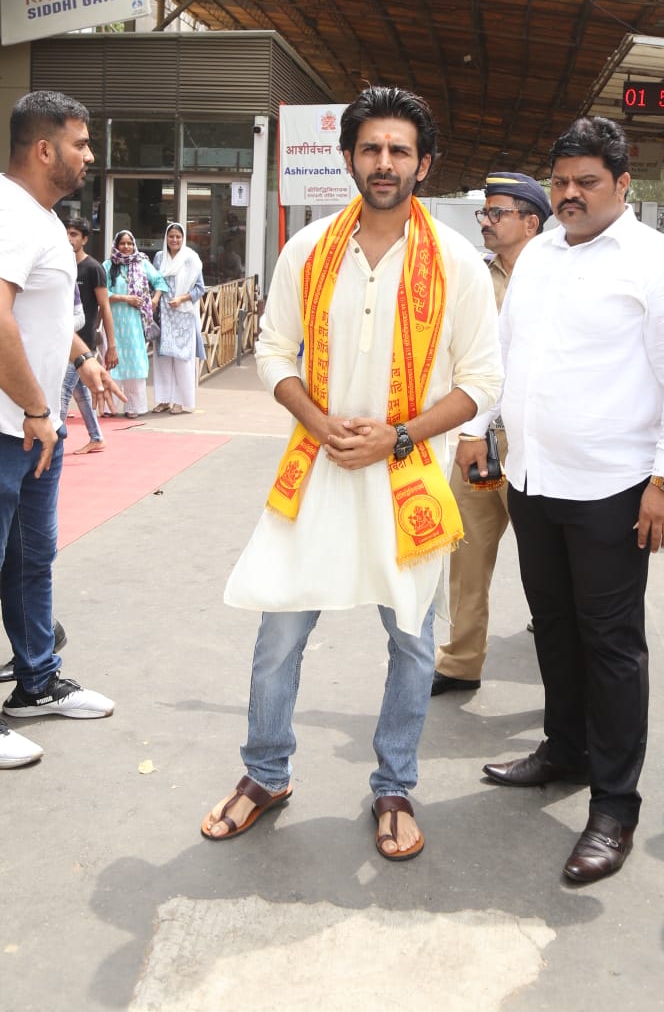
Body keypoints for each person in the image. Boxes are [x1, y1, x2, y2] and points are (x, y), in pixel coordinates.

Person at [201, 85, 502, 860]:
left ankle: (394, 786)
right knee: (279, 633)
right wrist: (317, 418)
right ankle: (265, 773)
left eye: (400, 150)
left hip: (407, 479)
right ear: (347, 159)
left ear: (424, 165)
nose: (384, 162)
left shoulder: (459, 264)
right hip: (321, 467)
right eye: (370, 148)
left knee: (410, 643)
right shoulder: (309, 252)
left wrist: (399, 434)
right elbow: (272, 352)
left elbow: (484, 381)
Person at [475, 117, 664, 883]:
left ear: (623, 184)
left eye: (586, 182)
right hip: (534, 479)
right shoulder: (540, 256)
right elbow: (505, 353)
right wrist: (484, 428)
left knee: (611, 644)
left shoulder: (659, 264)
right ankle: (565, 750)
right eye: (561, 182)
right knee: (552, 624)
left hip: (614, 489)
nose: (570, 194)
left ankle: (614, 805)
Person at [0, 91, 122, 770]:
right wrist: (38, 411)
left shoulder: (36, 215)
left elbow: (36, 313)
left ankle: (36, 681)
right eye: (80, 144)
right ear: (43, 149)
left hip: (31, 429)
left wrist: (83, 358)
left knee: (30, 562)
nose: (89, 156)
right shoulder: (2, 216)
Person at [432, 171, 551, 695]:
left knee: (547, 570)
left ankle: (561, 680)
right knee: (466, 553)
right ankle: (460, 662)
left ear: (531, 221)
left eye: (496, 212)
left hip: (538, 448)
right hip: (477, 443)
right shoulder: (474, 277)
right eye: (484, 212)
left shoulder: (557, 278)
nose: (485, 220)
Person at [66, 216, 118, 449]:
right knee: (80, 392)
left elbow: (105, 307)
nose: (69, 238)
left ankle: (53, 443)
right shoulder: (62, 265)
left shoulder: (93, 268)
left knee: (63, 394)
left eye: (74, 234)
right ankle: (97, 438)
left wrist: (111, 346)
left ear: (84, 239)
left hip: (84, 342)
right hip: (64, 340)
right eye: (67, 233)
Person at [103, 230, 167, 418]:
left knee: (134, 361)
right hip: (113, 321)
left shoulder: (142, 264)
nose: (126, 247)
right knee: (112, 362)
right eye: (122, 244)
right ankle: (110, 407)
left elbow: (160, 282)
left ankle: (134, 407)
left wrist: (154, 300)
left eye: (129, 243)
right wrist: (124, 298)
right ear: (116, 245)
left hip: (135, 324)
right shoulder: (108, 266)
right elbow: (102, 292)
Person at [152, 222, 205, 415]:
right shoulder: (159, 258)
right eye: (171, 236)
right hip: (163, 316)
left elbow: (200, 288)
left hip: (183, 315)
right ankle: (164, 399)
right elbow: (155, 281)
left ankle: (181, 401)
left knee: (183, 361)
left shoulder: (191, 259)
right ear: (166, 238)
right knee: (163, 360)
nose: (174, 240)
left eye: (178, 237)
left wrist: (182, 298)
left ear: (183, 239)